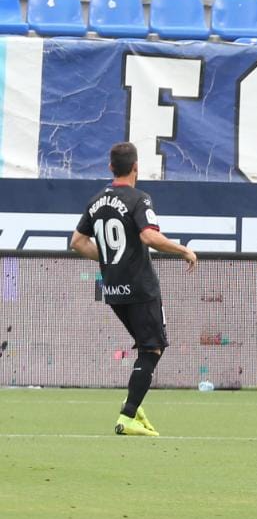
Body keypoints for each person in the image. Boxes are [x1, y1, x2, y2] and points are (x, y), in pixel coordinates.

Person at [68, 142, 198, 437]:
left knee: (145, 344)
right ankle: (128, 414)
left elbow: (77, 241)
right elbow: (150, 237)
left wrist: (107, 259)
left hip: (113, 289)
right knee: (153, 347)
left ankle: (134, 404)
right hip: (140, 286)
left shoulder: (96, 201)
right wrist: (183, 250)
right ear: (136, 167)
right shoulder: (140, 199)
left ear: (111, 167)